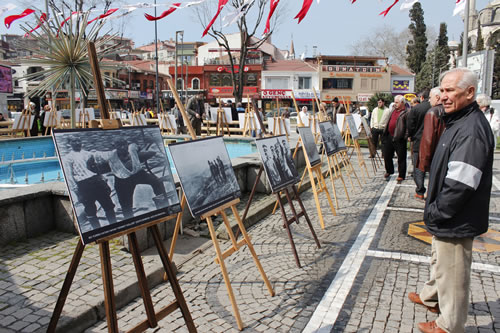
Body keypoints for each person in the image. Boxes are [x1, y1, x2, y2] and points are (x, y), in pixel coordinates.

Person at [408, 68, 494, 333]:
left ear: (470, 93)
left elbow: (461, 183)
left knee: (453, 272)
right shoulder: (458, 119)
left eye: (450, 91)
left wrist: (436, 211)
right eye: (442, 91)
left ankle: (449, 325)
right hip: (449, 214)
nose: (443, 97)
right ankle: (433, 300)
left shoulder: (470, 129)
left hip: (456, 217)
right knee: (442, 265)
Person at [96, 138, 169, 220]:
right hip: (122, 180)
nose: (123, 147)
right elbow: (95, 155)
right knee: (125, 205)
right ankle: (130, 220)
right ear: (115, 147)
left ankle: (163, 205)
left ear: (127, 144)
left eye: (124, 145)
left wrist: (143, 150)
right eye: (119, 146)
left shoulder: (132, 148)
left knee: (157, 182)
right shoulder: (109, 155)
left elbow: (138, 147)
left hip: (139, 174)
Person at [64, 136, 117, 229]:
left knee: (108, 205)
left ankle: (114, 227)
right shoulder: (68, 158)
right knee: (90, 209)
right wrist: (76, 190)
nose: (77, 143)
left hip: (96, 180)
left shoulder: (88, 154)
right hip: (83, 184)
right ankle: (97, 231)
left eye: (78, 140)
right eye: (74, 141)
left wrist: (103, 180)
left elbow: (96, 169)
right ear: (69, 144)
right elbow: (69, 175)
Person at [407, 89, 431, 199]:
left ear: (421, 98)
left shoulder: (416, 109)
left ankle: (420, 190)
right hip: (433, 141)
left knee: (418, 165)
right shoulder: (437, 108)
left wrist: (410, 136)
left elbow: (410, 125)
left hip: (418, 141)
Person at [382, 95, 409, 183]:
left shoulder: (406, 112)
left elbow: (408, 126)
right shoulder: (393, 110)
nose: (395, 104)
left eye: (397, 102)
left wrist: (406, 136)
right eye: (394, 102)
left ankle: (401, 174)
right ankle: (389, 170)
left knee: (401, 157)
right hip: (389, 135)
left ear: (402, 103)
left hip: (399, 137)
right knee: (387, 155)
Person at [418, 88, 445, 175]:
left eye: (430, 97)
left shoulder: (433, 112)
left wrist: (424, 162)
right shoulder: (448, 110)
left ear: (437, 97)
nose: (429, 100)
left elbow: (428, 139)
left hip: (436, 156)